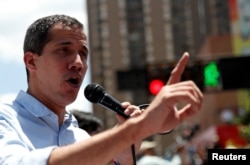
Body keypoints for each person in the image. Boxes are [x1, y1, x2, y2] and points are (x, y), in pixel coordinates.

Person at [0, 14, 203, 165]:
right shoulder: (5, 119)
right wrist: (134, 130)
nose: (78, 63)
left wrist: (123, 157)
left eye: (83, 53)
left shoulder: (79, 136)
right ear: (31, 61)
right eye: (64, 50)